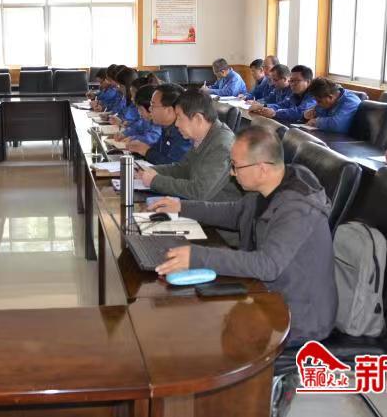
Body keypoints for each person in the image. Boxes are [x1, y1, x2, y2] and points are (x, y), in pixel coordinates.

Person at [149, 126, 337, 344]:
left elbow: (267, 265)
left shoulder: (297, 208)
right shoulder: (268, 187)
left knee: (199, 334)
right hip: (267, 292)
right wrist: (181, 207)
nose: (231, 173)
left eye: (236, 166)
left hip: (297, 316)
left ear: (262, 168)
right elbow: (235, 212)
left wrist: (196, 256)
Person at [136, 90, 241, 202]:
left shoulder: (222, 144)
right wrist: (148, 170)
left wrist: (155, 181)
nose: (176, 124)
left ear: (198, 119)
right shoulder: (203, 136)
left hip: (215, 209)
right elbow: (184, 169)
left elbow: (199, 192)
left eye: (179, 117)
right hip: (198, 205)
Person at [127, 83, 191, 165]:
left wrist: (146, 151)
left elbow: (174, 167)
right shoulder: (166, 128)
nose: (150, 109)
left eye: (152, 105)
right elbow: (157, 152)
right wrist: (139, 149)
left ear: (169, 110)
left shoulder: (183, 134)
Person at [249, 65, 315, 124]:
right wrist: (263, 106)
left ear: (308, 82)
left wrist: (275, 113)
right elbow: (282, 105)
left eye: (296, 81)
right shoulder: (295, 94)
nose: (292, 84)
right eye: (291, 81)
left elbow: (300, 112)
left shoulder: (314, 95)